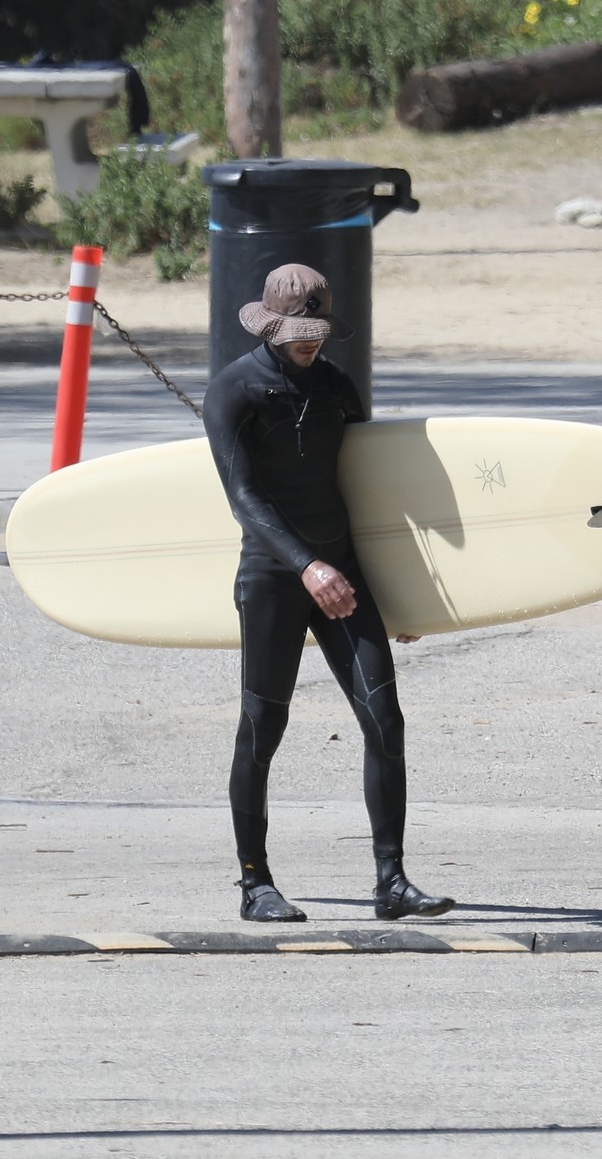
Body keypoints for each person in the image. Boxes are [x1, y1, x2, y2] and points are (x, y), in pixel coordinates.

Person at [203, 263, 455, 924]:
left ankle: (390, 883)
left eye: (317, 331)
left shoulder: (337, 387)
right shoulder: (234, 391)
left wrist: (406, 594)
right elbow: (244, 499)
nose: (310, 343)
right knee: (263, 728)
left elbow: (375, 492)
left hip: (342, 570)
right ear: (269, 324)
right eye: (297, 332)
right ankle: (254, 885)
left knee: (385, 721)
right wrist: (307, 566)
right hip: (273, 577)